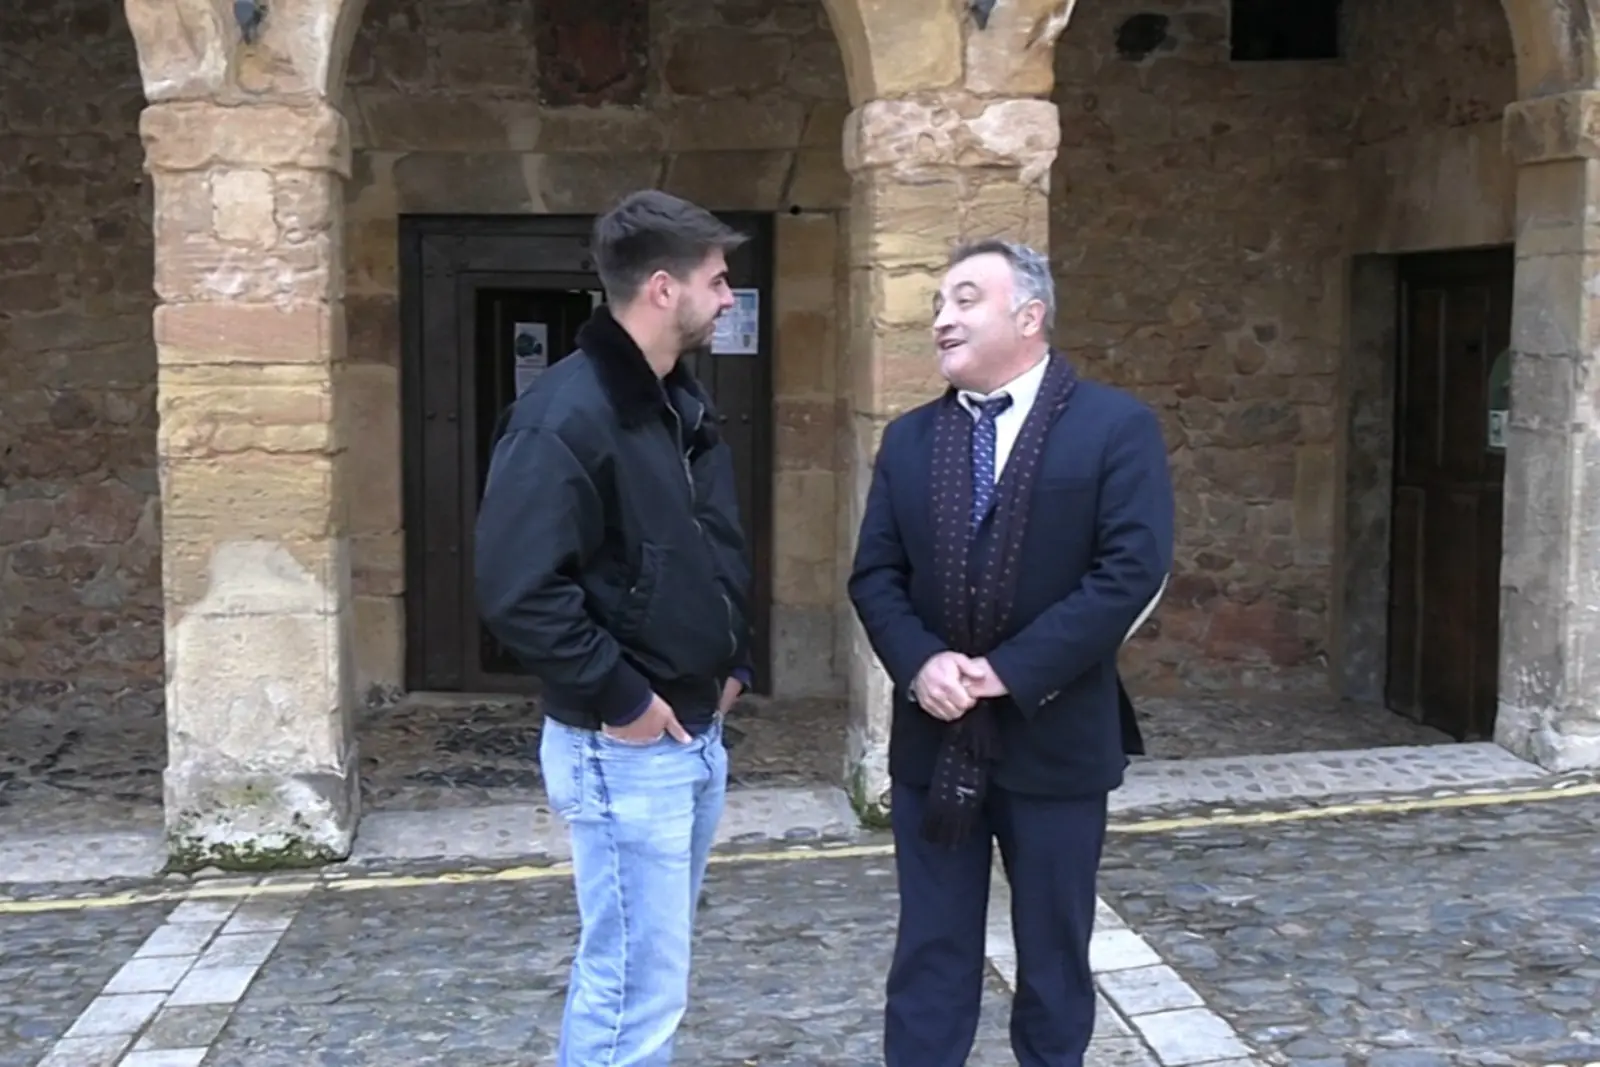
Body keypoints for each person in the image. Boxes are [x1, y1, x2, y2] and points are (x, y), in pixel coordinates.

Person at [847, 239, 1174, 1067]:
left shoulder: (1115, 428)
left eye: (964, 299)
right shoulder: (910, 440)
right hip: (936, 741)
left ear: (1029, 317)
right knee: (930, 952)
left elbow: (1129, 571)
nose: (942, 319)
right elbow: (876, 574)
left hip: (1056, 742)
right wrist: (922, 664)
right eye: (935, 306)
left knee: (1055, 957)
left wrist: (1009, 670)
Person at [474, 189, 754, 1067]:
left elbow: (702, 548)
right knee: (634, 983)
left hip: (690, 732)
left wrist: (730, 659)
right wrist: (623, 697)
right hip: (626, 743)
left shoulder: (677, 402)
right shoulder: (567, 413)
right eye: (716, 279)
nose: (728, 297)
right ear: (663, 288)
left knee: (646, 977)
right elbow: (520, 588)